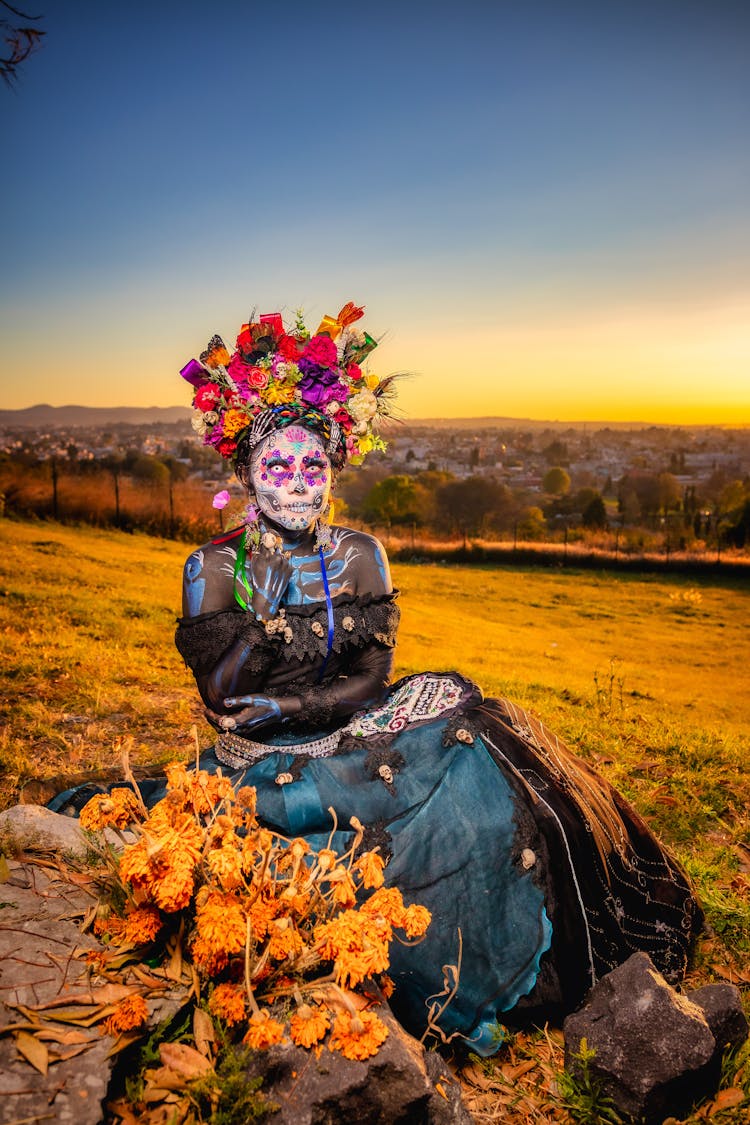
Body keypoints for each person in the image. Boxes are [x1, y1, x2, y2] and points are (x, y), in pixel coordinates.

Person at [52, 303, 703, 1053]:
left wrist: (294, 700)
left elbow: (371, 679)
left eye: (313, 466)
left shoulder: (361, 553)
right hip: (259, 765)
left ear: (333, 469)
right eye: (276, 465)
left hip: (358, 732)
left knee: (488, 754)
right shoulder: (213, 567)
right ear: (241, 470)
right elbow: (227, 703)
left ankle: (561, 934)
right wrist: (266, 630)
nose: (297, 483)